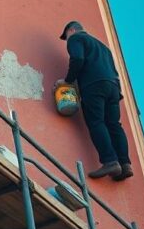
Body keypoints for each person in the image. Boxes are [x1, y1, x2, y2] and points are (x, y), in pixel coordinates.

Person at [56, 21, 133, 181]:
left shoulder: (75, 39)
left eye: (66, 36)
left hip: (94, 86)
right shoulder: (103, 47)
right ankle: (125, 164)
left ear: (71, 30)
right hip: (113, 87)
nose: (67, 40)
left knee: (96, 122)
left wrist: (68, 81)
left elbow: (77, 59)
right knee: (114, 125)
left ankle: (110, 161)